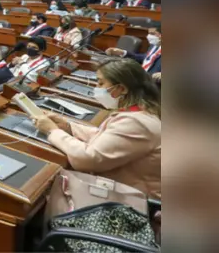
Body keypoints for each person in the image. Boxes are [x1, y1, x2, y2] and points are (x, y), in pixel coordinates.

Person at [29, 58, 161, 199]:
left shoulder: (135, 123)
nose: (96, 87)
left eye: (101, 83)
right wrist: (68, 126)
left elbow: (89, 159)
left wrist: (52, 131)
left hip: (132, 202)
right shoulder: (142, 110)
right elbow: (108, 137)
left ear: (122, 89)